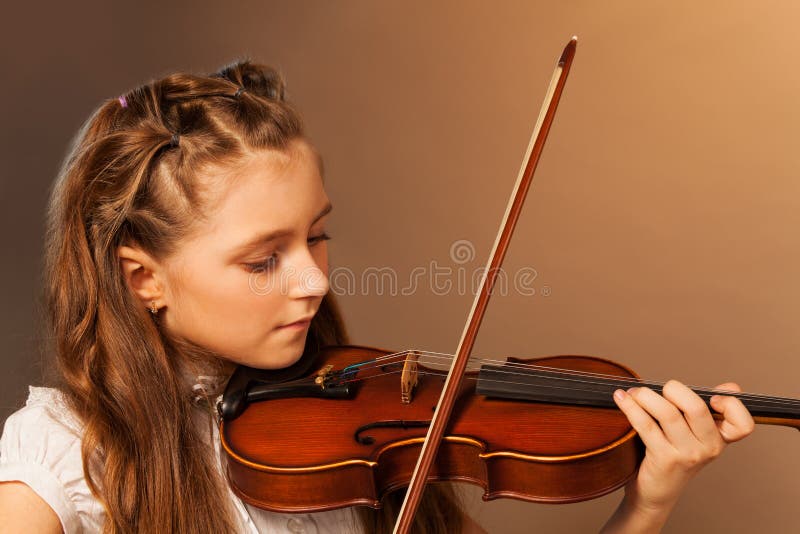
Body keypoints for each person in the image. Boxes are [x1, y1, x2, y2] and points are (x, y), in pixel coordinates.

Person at [0, 61, 754, 534]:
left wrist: (648, 504)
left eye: (316, 236)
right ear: (145, 280)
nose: (316, 280)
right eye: (265, 259)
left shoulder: (351, 420)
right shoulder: (64, 454)